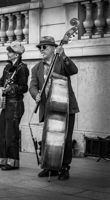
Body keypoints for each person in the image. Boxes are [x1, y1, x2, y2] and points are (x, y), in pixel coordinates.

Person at [29, 36, 79, 180]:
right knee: (48, 139)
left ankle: (64, 167)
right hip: (48, 108)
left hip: (65, 107)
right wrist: (35, 94)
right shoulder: (36, 68)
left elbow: (74, 70)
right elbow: (32, 86)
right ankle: (50, 166)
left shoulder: (61, 61)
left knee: (65, 139)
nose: (41, 50)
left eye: (44, 47)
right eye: (40, 47)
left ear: (53, 48)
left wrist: (63, 55)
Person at [0, 41, 29, 171]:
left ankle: (13, 162)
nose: (8, 53)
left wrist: (11, 88)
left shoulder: (22, 68)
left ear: (16, 54)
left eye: (10, 51)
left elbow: (24, 88)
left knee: (11, 134)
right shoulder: (7, 67)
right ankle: (2, 159)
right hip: (6, 103)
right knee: (1, 132)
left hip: (15, 103)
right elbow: (1, 82)